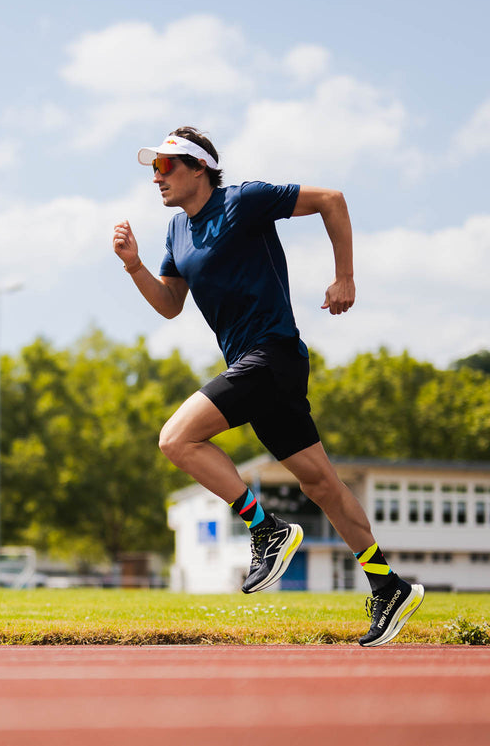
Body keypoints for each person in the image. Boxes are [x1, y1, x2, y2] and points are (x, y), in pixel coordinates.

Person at [113, 127, 423, 647]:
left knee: (176, 439)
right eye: (153, 170)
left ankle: (264, 529)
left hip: (272, 354)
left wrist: (344, 276)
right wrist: (134, 266)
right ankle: (386, 584)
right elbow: (170, 304)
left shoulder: (245, 200)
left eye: (165, 167)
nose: (156, 178)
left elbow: (332, 200)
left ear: (198, 168)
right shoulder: (175, 232)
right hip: (252, 366)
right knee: (320, 483)